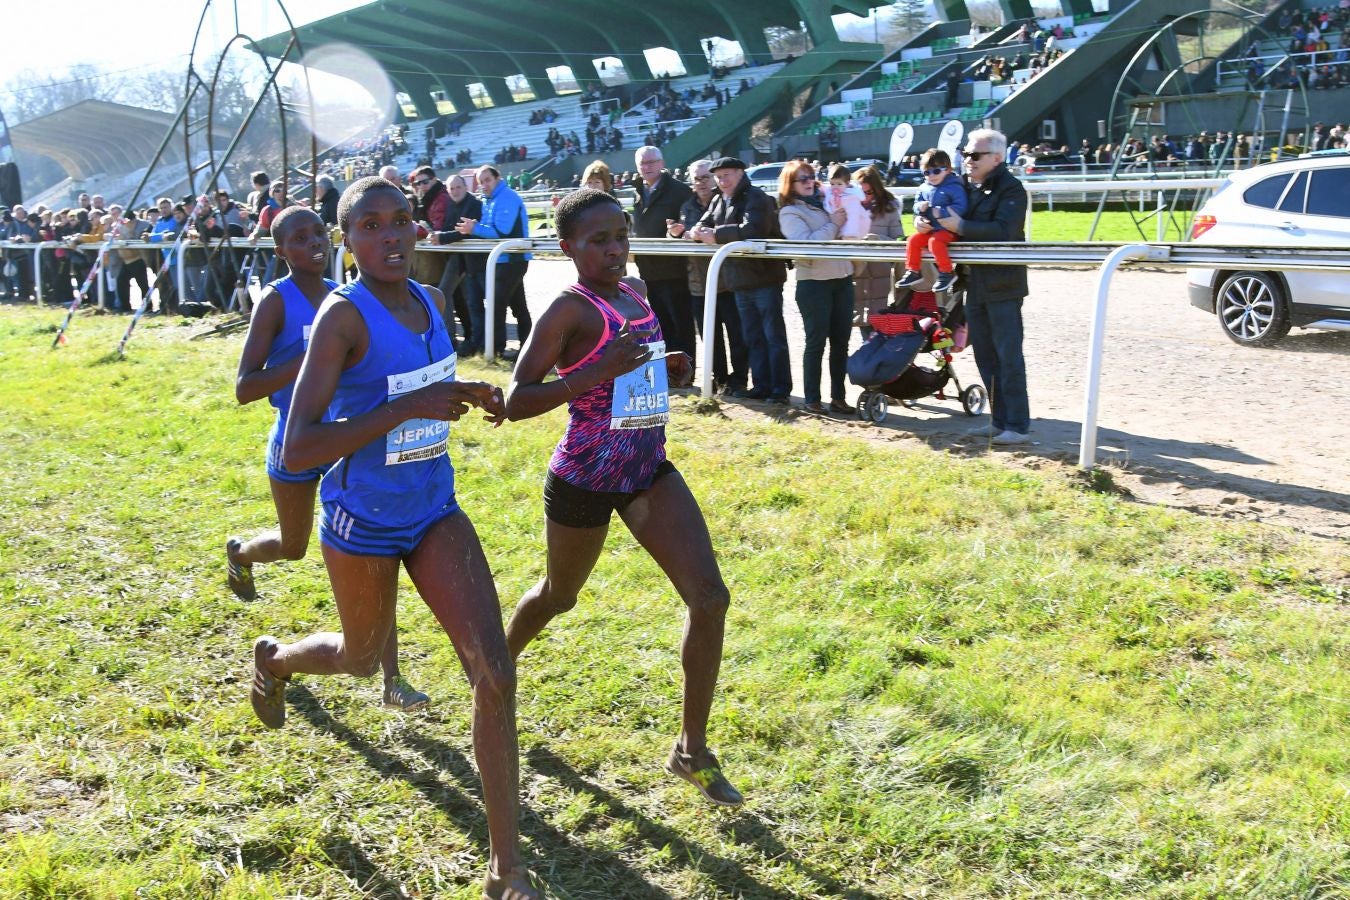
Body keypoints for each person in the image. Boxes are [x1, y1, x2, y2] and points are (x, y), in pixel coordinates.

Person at [252, 177, 539, 899]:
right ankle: (278, 661)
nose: (391, 236)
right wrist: (406, 406)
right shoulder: (340, 319)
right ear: (345, 240)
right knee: (359, 658)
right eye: (371, 225)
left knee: (494, 673)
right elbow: (300, 447)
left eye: (402, 221)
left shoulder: (432, 302)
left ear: (418, 227)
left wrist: (464, 391)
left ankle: (507, 872)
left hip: (434, 509)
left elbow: (420, 383)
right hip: (362, 521)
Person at [503, 188, 743, 809]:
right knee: (559, 596)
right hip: (585, 475)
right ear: (568, 248)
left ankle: (691, 750)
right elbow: (516, 399)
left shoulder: (634, 290)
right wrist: (594, 372)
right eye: (597, 241)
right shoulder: (567, 309)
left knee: (709, 597)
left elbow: (634, 367)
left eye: (619, 236)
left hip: (645, 467)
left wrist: (667, 371)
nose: (613, 250)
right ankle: (494, 670)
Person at [229, 205, 428, 712]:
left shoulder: (356, 299)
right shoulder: (277, 302)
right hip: (298, 445)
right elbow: (244, 387)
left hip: (355, 443)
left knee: (377, 556)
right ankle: (242, 554)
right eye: (299, 237)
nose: (313, 242)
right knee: (293, 548)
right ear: (280, 251)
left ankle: (392, 678)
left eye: (318, 231)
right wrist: (310, 358)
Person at [922, 128, 1031, 444]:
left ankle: (1018, 425)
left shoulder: (1012, 190)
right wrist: (925, 220)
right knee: (984, 354)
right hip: (974, 284)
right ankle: (999, 421)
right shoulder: (967, 187)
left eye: (974, 155)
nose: (967, 160)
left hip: (1004, 285)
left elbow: (1004, 231)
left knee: (1008, 356)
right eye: (965, 153)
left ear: (997, 158)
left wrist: (961, 226)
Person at [691, 156, 790, 403]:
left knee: (772, 336)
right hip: (739, 279)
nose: (722, 181)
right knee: (754, 337)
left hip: (764, 277)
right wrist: (693, 231)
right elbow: (704, 225)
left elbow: (752, 230)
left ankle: (780, 389)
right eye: (719, 177)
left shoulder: (757, 198)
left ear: (740, 174)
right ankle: (761, 385)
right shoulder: (718, 199)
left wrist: (714, 235)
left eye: (726, 175)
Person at [776, 161, 855, 416]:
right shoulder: (789, 212)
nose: (809, 181)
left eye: (811, 176)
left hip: (842, 279)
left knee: (841, 343)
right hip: (813, 285)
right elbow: (805, 246)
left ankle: (839, 398)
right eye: (802, 179)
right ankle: (812, 398)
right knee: (816, 343)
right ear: (791, 184)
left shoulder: (829, 200)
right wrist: (833, 224)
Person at [668, 159, 748, 395]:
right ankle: (719, 379)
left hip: (728, 282)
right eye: (696, 178)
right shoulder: (686, 207)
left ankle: (740, 380)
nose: (701, 182)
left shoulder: (725, 202)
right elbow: (684, 236)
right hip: (699, 284)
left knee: (737, 336)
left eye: (705, 177)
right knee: (710, 338)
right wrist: (676, 234)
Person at [455, 165, 531, 357]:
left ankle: (495, 350)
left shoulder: (507, 197)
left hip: (513, 259)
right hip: (505, 259)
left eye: (487, 180)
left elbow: (501, 232)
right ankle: (526, 349)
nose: (484, 185)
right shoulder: (490, 200)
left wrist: (474, 229)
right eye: (481, 182)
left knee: (497, 306)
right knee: (518, 307)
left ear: (498, 178)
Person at [631, 146, 697, 358]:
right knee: (661, 324)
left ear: (662, 163)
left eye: (651, 162)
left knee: (681, 323)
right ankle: (670, 371)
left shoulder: (680, 191)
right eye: (643, 163)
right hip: (648, 270)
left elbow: (689, 223)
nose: (647, 166)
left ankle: (685, 372)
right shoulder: (638, 190)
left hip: (674, 270)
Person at [897, 149, 967, 294]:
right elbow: (916, 205)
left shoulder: (954, 186)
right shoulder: (924, 188)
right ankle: (913, 271)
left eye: (936, 171)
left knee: (935, 242)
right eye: (926, 173)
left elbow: (961, 207)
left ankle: (947, 272)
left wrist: (941, 211)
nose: (931, 176)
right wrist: (919, 210)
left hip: (949, 230)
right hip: (930, 229)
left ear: (947, 170)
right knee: (913, 240)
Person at [851, 165, 904, 334]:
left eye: (869, 192)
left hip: (880, 270)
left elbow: (899, 241)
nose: (865, 197)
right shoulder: (849, 208)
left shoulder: (890, 208)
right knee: (861, 316)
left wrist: (877, 240)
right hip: (857, 270)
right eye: (861, 192)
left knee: (878, 316)